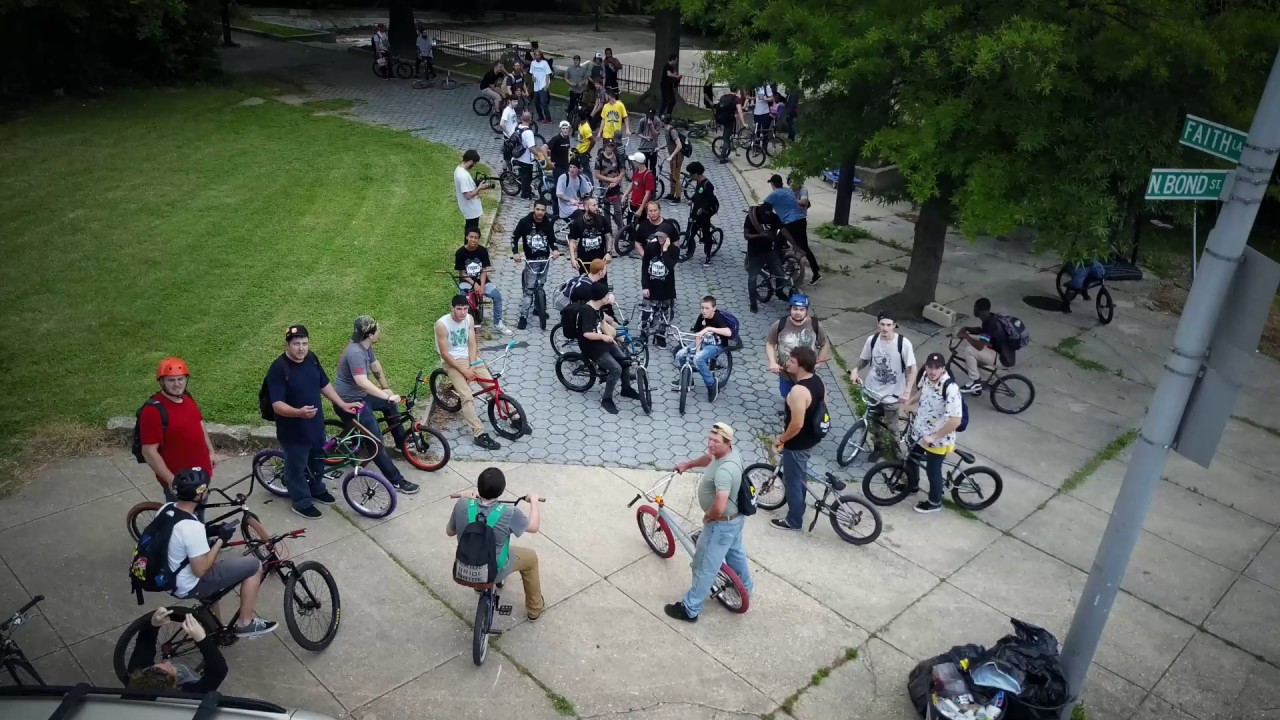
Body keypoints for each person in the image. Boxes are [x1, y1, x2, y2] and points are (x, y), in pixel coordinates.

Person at [162, 468, 277, 635]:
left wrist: (210, 530)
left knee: (213, 588)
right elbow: (201, 570)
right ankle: (245, 623)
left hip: (168, 574)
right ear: (199, 495)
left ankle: (215, 631)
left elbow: (178, 535)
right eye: (206, 489)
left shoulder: (167, 509)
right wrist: (221, 539)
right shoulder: (192, 527)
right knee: (254, 565)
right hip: (188, 583)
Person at [267, 325, 362, 519]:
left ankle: (316, 489)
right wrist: (298, 413)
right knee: (296, 468)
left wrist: (342, 404)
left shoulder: (312, 359)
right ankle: (301, 502)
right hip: (293, 430)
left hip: (315, 425)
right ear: (288, 344)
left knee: (318, 459)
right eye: (296, 344)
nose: (301, 348)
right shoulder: (279, 368)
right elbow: (277, 405)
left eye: (305, 343)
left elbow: (323, 384)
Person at [664, 422, 753, 622]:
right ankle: (745, 588)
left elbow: (720, 505)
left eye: (716, 441)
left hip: (720, 525)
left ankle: (690, 609)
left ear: (727, 443)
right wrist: (688, 465)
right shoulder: (730, 454)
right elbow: (709, 458)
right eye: (710, 439)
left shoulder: (725, 472)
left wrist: (709, 517)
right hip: (735, 520)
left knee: (703, 566)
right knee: (735, 553)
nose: (711, 444)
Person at [331, 316, 420, 495]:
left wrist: (385, 388)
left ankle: (400, 442)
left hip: (361, 396)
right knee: (376, 441)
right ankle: (397, 481)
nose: (380, 332)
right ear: (370, 335)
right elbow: (362, 382)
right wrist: (387, 397)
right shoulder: (356, 353)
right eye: (378, 329)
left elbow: (376, 367)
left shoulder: (365, 345)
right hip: (350, 403)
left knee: (390, 406)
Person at [447, 468, 544, 620]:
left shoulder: (462, 505)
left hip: (463, 568)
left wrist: (464, 499)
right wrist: (534, 502)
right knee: (531, 558)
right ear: (501, 490)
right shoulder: (509, 512)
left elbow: (450, 532)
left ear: (478, 486)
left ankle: (479, 588)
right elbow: (534, 527)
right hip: (494, 569)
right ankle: (534, 608)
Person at [139, 357, 218, 503]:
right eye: (171, 380)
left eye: (180, 379)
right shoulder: (153, 411)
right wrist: (172, 481)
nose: (177, 384)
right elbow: (149, 452)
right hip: (181, 481)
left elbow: (199, 424)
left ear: (186, 379)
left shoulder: (187, 397)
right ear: (161, 382)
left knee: (201, 509)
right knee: (181, 516)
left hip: (201, 474)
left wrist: (211, 452)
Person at [772, 346, 829, 530]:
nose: (788, 363)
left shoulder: (798, 391)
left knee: (793, 482)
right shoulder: (819, 382)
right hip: (811, 438)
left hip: (797, 443)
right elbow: (823, 407)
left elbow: (796, 424)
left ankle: (794, 520)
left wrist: (782, 439)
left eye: (792, 361)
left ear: (802, 366)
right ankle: (800, 506)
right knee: (800, 474)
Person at [435, 297, 503, 450]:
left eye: (465, 308)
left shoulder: (469, 319)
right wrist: (464, 371)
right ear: (452, 308)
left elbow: (472, 343)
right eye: (459, 309)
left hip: (470, 358)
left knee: (493, 387)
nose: (463, 312)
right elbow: (445, 354)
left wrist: (472, 365)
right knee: (467, 397)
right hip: (453, 362)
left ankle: (513, 415)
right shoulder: (442, 324)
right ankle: (479, 434)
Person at [851, 311, 918, 461]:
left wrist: (907, 391)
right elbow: (864, 359)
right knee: (875, 424)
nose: (885, 328)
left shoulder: (903, 344)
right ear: (878, 324)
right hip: (873, 391)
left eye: (888, 325)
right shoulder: (872, 340)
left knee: (892, 428)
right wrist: (855, 370)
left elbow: (912, 369)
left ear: (894, 325)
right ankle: (879, 448)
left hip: (892, 395)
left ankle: (897, 457)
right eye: (882, 324)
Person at [903, 353, 964, 514]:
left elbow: (955, 420)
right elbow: (922, 391)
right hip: (921, 431)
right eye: (930, 366)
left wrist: (934, 437)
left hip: (938, 439)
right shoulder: (926, 376)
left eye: (937, 368)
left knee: (933, 470)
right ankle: (912, 486)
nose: (933, 371)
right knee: (911, 459)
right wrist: (910, 402)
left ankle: (935, 502)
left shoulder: (950, 388)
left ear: (943, 369)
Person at [126, 606, 228, 691]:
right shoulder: (188, 696)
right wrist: (202, 639)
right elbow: (219, 671)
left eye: (153, 667)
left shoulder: (138, 676)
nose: (168, 662)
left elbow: (144, 644)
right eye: (170, 669)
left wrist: (153, 626)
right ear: (174, 687)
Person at [574, 283, 639, 414]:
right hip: (591, 347)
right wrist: (604, 337)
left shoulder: (597, 308)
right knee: (616, 369)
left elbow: (602, 322)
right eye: (606, 295)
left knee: (625, 360)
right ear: (601, 297)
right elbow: (586, 334)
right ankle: (607, 399)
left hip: (602, 342)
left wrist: (610, 337)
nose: (608, 296)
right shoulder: (587, 311)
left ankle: (626, 388)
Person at [765, 294, 831, 398]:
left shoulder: (815, 325)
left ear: (806, 311)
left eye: (801, 309)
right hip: (786, 373)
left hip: (807, 372)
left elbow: (824, 344)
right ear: (790, 309)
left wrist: (819, 362)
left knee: (804, 398)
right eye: (795, 309)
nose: (798, 312)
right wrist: (772, 362)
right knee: (786, 395)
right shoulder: (780, 324)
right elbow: (770, 343)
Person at [511, 199, 560, 330]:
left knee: (541, 285)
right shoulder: (524, 222)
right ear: (534, 209)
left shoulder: (547, 223)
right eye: (538, 209)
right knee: (529, 291)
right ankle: (523, 317)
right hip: (531, 261)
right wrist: (515, 253)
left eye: (543, 210)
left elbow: (552, 240)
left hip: (545, 260)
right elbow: (514, 237)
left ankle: (539, 308)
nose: (540, 212)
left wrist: (555, 250)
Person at [764, 174, 820, 284]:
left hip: (790, 223)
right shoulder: (788, 191)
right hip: (801, 220)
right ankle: (816, 273)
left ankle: (777, 272)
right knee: (804, 247)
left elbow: (764, 207)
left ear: (772, 184)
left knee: (777, 244)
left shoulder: (775, 193)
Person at [455, 229, 512, 335]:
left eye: (476, 238)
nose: (473, 240)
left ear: (479, 239)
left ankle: (498, 323)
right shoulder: (460, 253)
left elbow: (484, 270)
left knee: (497, 295)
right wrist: (474, 284)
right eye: (471, 237)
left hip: (482, 280)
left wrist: (481, 286)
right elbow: (462, 273)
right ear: (467, 237)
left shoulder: (482, 251)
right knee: (462, 299)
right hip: (467, 281)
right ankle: (462, 324)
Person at [675, 296, 732, 401]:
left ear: (714, 308)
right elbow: (698, 334)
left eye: (707, 308)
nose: (704, 311)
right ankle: (687, 379)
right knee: (680, 355)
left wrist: (709, 328)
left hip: (716, 345)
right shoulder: (701, 317)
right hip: (703, 342)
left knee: (698, 359)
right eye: (702, 308)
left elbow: (728, 332)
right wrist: (697, 351)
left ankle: (712, 384)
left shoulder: (718, 317)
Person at [957, 297, 1016, 393]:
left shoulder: (990, 324)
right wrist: (967, 328)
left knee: (969, 350)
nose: (973, 310)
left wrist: (966, 336)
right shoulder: (990, 318)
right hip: (1002, 352)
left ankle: (976, 382)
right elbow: (982, 331)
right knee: (971, 353)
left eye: (975, 308)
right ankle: (978, 387)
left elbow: (979, 347)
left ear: (978, 310)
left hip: (1003, 358)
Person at [744, 203, 787, 313]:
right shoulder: (751, 218)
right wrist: (759, 235)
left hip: (768, 250)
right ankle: (753, 304)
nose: (766, 218)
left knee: (780, 274)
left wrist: (795, 245)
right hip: (754, 252)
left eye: (768, 215)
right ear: (759, 211)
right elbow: (746, 235)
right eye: (764, 216)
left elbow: (783, 231)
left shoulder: (774, 217)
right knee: (752, 279)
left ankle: (779, 293)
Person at [640, 229, 679, 343]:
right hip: (651, 287)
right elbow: (645, 265)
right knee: (646, 313)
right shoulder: (651, 247)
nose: (660, 239)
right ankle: (643, 335)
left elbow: (670, 265)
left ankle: (660, 336)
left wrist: (665, 250)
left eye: (663, 237)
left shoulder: (674, 250)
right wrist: (644, 286)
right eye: (659, 237)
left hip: (666, 288)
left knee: (665, 314)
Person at [685, 162, 718, 265]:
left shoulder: (707, 184)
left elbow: (710, 199)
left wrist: (703, 209)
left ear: (696, 174)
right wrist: (691, 199)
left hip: (705, 212)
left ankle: (708, 256)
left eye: (691, 174)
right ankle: (689, 251)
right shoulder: (698, 182)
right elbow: (697, 194)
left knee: (706, 233)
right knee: (691, 231)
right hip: (696, 209)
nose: (690, 176)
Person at [595, 139, 627, 242]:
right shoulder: (600, 158)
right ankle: (608, 231)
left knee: (618, 210)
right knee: (606, 210)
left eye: (612, 146)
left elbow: (622, 171)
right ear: (605, 146)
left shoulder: (617, 156)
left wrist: (617, 179)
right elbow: (597, 175)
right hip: (605, 188)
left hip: (616, 187)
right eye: (609, 146)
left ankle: (621, 231)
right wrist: (610, 180)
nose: (610, 148)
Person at [568, 195, 611, 272]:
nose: (597, 208)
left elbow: (608, 237)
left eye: (597, 205)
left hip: (599, 261)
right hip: (583, 262)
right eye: (594, 205)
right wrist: (573, 259)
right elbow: (572, 241)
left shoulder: (602, 220)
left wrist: (608, 253)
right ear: (586, 207)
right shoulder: (577, 222)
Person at [455, 149, 490, 235]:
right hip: (471, 210)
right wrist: (479, 188)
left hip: (471, 209)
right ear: (471, 161)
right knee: (471, 234)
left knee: (470, 232)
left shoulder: (459, 170)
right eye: (474, 163)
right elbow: (468, 195)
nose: (474, 166)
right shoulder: (463, 175)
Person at [546, 120, 574, 214]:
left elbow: (567, 152)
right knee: (558, 190)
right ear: (560, 129)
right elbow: (543, 148)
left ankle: (562, 209)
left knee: (564, 189)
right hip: (558, 169)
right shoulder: (556, 139)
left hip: (565, 167)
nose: (565, 130)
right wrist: (549, 162)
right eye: (563, 128)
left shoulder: (567, 138)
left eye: (567, 128)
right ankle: (556, 212)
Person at [714, 90, 746, 163]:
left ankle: (728, 147)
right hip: (729, 121)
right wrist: (744, 123)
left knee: (726, 135)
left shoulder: (724, 97)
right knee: (726, 139)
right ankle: (722, 158)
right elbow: (740, 111)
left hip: (721, 119)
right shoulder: (737, 99)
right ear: (737, 90)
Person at [512, 112, 538, 201]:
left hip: (518, 156)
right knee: (527, 177)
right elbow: (531, 147)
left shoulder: (518, 128)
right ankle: (525, 194)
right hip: (526, 159)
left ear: (521, 119)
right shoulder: (529, 132)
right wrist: (538, 155)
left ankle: (527, 190)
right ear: (530, 120)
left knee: (523, 175)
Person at [627, 153, 657, 229]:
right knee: (629, 226)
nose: (633, 163)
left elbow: (648, 194)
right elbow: (632, 183)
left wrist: (641, 209)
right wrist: (625, 195)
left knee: (642, 227)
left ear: (638, 162)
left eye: (634, 161)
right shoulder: (636, 171)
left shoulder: (648, 175)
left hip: (641, 205)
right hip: (633, 203)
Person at [664, 116, 686, 204]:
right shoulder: (667, 131)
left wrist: (671, 156)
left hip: (677, 157)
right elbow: (669, 144)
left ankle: (678, 197)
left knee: (676, 177)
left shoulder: (672, 131)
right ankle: (671, 194)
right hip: (673, 157)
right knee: (671, 175)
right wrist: (659, 147)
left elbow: (679, 145)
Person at [530, 51, 553, 124]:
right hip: (536, 86)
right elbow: (532, 73)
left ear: (541, 56)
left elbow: (547, 75)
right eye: (536, 55)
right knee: (536, 102)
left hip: (543, 85)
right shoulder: (533, 63)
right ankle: (541, 117)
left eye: (538, 55)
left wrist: (547, 85)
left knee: (543, 103)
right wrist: (533, 78)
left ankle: (548, 119)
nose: (537, 56)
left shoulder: (544, 63)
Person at [565, 55, 590, 120]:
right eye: (575, 60)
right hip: (572, 90)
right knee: (572, 103)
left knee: (579, 105)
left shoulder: (583, 70)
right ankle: (568, 115)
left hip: (580, 90)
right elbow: (566, 78)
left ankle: (578, 117)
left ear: (579, 61)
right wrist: (570, 83)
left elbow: (585, 79)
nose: (576, 62)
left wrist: (581, 83)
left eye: (577, 60)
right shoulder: (570, 69)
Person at [499, 94, 520, 169]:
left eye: (517, 101)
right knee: (506, 157)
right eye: (514, 101)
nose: (516, 103)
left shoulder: (512, 109)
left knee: (511, 155)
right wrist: (507, 133)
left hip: (514, 136)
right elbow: (501, 124)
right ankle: (505, 172)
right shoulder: (507, 111)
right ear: (509, 101)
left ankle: (510, 170)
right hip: (509, 137)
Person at [660, 53, 681, 118]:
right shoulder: (667, 66)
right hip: (665, 87)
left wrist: (677, 78)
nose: (676, 62)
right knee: (665, 102)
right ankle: (660, 115)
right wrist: (676, 76)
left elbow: (673, 76)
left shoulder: (672, 68)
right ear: (672, 60)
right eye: (676, 60)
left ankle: (668, 114)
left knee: (673, 101)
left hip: (669, 87)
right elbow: (669, 74)